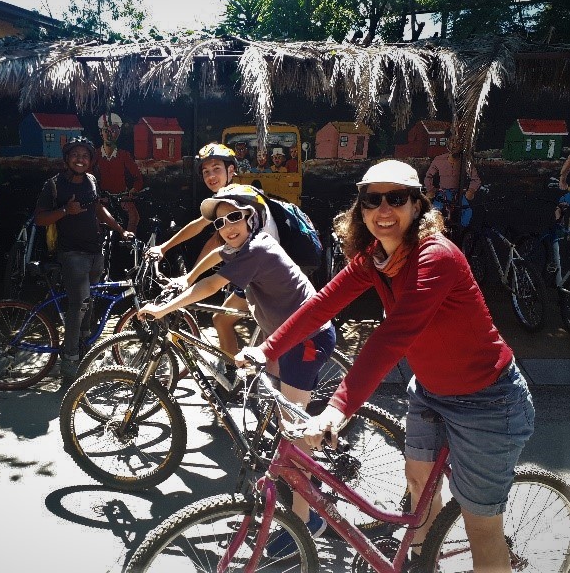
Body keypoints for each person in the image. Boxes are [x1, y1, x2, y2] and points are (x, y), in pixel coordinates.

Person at [238, 159, 535, 571]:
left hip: (488, 399)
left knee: (480, 525)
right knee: (419, 487)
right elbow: (322, 304)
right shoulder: (377, 257)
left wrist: (337, 409)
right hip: (432, 389)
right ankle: (421, 563)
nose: (383, 209)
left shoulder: (437, 258)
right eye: (371, 199)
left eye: (396, 198)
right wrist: (266, 349)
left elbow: (391, 338)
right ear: (360, 208)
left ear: (417, 206)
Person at [139, 187, 336, 554]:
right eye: (220, 221)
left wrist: (165, 310)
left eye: (234, 217)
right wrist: (185, 279)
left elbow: (214, 283)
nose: (227, 226)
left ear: (251, 219)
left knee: (291, 436)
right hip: (285, 339)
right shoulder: (241, 247)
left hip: (304, 340)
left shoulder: (257, 249)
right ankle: (311, 487)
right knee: (286, 424)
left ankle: (308, 522)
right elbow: (216, 254)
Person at [148, 144, 279, 379]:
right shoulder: (226, 201)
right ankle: (234, 376)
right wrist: (172, 257)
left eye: (216, 168)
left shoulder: (241, 199)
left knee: (268, 341)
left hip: (267, 278)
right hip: (253, 275)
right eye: (206, 171)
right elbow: (205, 231)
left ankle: (271, 393)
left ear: (231, 171)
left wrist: (189, 279)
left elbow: (215, 244)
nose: (210, 175)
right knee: (222, 319)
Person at [34, 136, 134, 379]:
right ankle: (69, 360)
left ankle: (84, 346)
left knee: (91, 302)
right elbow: (40, 218)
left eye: (85, 156)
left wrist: (121, 229)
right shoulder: (54, 185)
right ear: (67, 159)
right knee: (78, 306)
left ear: (90, 161)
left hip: (94, 252)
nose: (81, 159)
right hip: (71, 253)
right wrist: (66, 210)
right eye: (76, 155)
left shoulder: (91, 180)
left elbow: (98, 209)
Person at [94, 112, 145, 234]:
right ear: (101, 132)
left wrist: (132, 191)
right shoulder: (95, 155)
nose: (110, 134)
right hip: (103, 198)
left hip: (122, 196)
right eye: (106, 130)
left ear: (119, 132)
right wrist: (98, 195)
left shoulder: (124, 155)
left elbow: (138, 178)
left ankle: (128, 242)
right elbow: (88, 177)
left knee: (134, 217)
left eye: (114, 130)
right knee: (96, 220)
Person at [423, 137, 481, 229]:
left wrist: (471, 190)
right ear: (447, 144)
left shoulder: (466, 162)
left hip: (459, 194)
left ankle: (460, 231)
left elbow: (476, 179)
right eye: (451, 142)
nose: (454, 145)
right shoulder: (439, 160)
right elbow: (428, 177)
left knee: (467, 211)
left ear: (462, 145)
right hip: (443, 194)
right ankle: (435, 231)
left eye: (457, 142)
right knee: (434, 211)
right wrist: (431, 189)